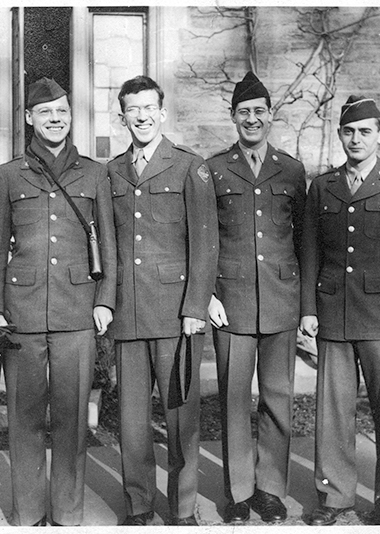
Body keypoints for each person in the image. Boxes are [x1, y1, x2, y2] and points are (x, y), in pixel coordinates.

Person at [0, 77, 117, 526]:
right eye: (45, 113)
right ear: (29, 118)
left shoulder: (96, 174)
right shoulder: (7, 175)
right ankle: (28, 514)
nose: (55, 119)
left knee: (72, 420)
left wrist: (105, 301)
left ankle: (67, 514)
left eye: (61, 111)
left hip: (78, 310)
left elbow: (110, 248)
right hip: (20, 315)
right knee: (23, 419)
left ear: (71, 116)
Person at [300, 96, 380, 526]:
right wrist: (307, 310)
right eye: (349, 132)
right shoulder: (323, 186)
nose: (356, 139)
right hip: (333, 311)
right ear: (340, 135)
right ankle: (334, 499)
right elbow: (311, 253)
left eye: (365, 131)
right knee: (333, 413)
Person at [107, 75, 218, 526]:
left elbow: (205, 244)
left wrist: (195, 307)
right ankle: (138, 506)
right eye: (133, 109)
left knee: (180, 420)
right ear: (123, 117)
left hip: (176, 316)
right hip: (129, 315)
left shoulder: (190, 167)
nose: (142, 116)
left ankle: (184, 508)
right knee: (132, 424)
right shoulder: (111, 170)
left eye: (149, 107)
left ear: (162, 112)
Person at [207, 71, 306, 524]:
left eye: (259, 111)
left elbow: (304, 240)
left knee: (277, 397)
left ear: (271, 116)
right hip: (231, 301)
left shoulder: (291, 169)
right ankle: (238, 491)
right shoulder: (213, 168)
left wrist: (306, 307)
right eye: (243, 112)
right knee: (232, 399)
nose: (252, 119)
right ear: (233, 117)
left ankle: (270, 489)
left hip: (281, 299)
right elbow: (205, 238)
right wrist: (208, 294)